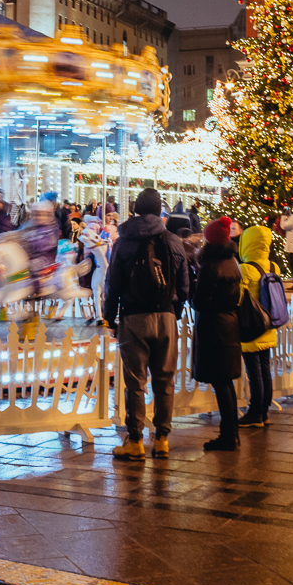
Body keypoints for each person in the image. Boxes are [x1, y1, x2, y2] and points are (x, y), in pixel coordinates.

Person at [104, 188, 190, 460]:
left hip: (134, 317)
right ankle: (162, 439)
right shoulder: (173, 241)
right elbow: (185, 285)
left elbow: (113, 282)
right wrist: (172, 311)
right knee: (165, 380)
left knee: (135, 382)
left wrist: (110, 317)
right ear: (160, 211)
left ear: (136, 210)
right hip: (165, 317)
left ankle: (135, 440)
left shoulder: (124, 240)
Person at [191, 217, 243, 451]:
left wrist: (193, 289)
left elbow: (200, 302)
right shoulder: (231, 260)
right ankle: (231, 432)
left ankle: (228, 435)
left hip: (215, 326)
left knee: (221, 383)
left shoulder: (211, 265)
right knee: (226, 383)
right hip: (229, 323)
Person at [237, 225, 279, 428]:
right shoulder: (273, 266)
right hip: (269, 323)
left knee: (254, 372)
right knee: (265, 369)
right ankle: (264, 412)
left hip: (252, 326)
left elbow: (237, 297)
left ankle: (255, 412)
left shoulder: (246, 268)